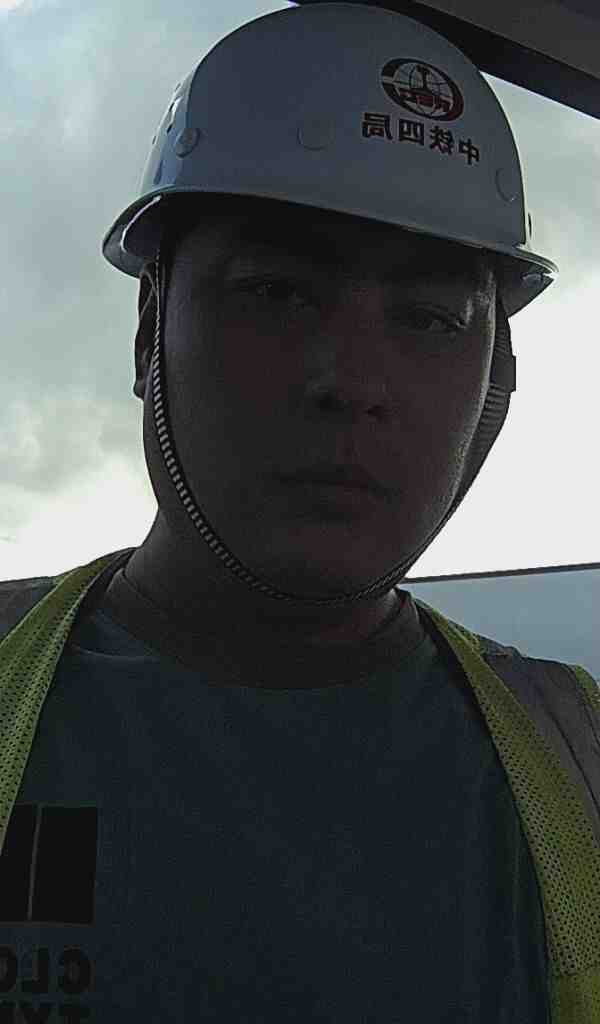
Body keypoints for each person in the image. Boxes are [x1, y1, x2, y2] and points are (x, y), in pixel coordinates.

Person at [113, 192, 496, 690]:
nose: (354, 386)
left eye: (430, 319)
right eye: (277, 292)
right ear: (150, 333)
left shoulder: (569, 726)